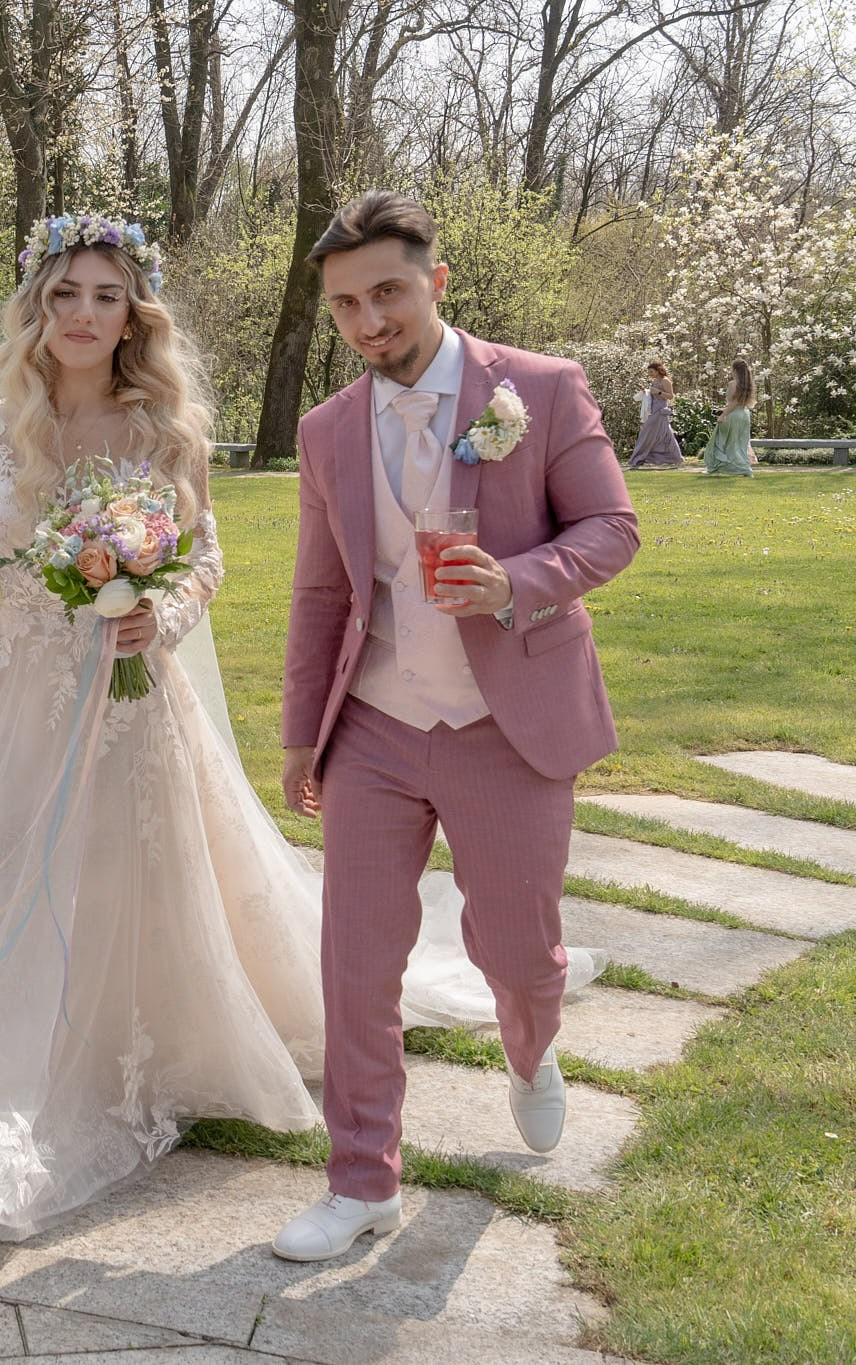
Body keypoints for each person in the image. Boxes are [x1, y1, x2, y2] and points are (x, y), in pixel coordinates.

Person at [0, 213, 602, 1241]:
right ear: (34, 309)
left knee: (136, 876)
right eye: (62, 295)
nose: (82, 316)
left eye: (104, 296)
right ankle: (18, 1060)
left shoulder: (161, 422)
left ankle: (151, 1048)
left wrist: (162, 614)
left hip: (133, 686)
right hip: (20, 694)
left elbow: (205, 558)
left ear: (133, 313)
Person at [274, 191, 639, 1263]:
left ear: (434, 283)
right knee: (354, 958)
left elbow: (610, 527)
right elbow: (317, 596)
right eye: (345, 304)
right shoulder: (324, 429)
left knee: (518, 952)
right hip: (375, 726)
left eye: (385, 292)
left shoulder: (537, 388)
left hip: (505, 723)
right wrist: (304, 735)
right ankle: (359, 1183)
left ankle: (531, 1048)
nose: (367, 321)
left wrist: (515, 582)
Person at [701, 360, 755, 476]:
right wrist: (723, 410)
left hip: (733, 416)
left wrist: (723, 414)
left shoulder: (733, 384)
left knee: (720, 442)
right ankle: (742, 467)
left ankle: (719, 467)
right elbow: (738, 403)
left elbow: (734, 402)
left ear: (735, 370)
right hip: (744, 415)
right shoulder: (748, 385)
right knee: (739, 443)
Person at [627, 361, 685, 469]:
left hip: (660, 411)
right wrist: (645, 391)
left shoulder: (665, 381)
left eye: (651, 371)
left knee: (646, 433)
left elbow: (671, 396)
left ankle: (638, 459)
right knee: (665, 435)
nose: (650, 374)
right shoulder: (654, 381)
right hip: (653, 411)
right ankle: (674, 458)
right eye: (649, 372)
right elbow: (652, 395)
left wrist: (658, 392)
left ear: (658, 370)